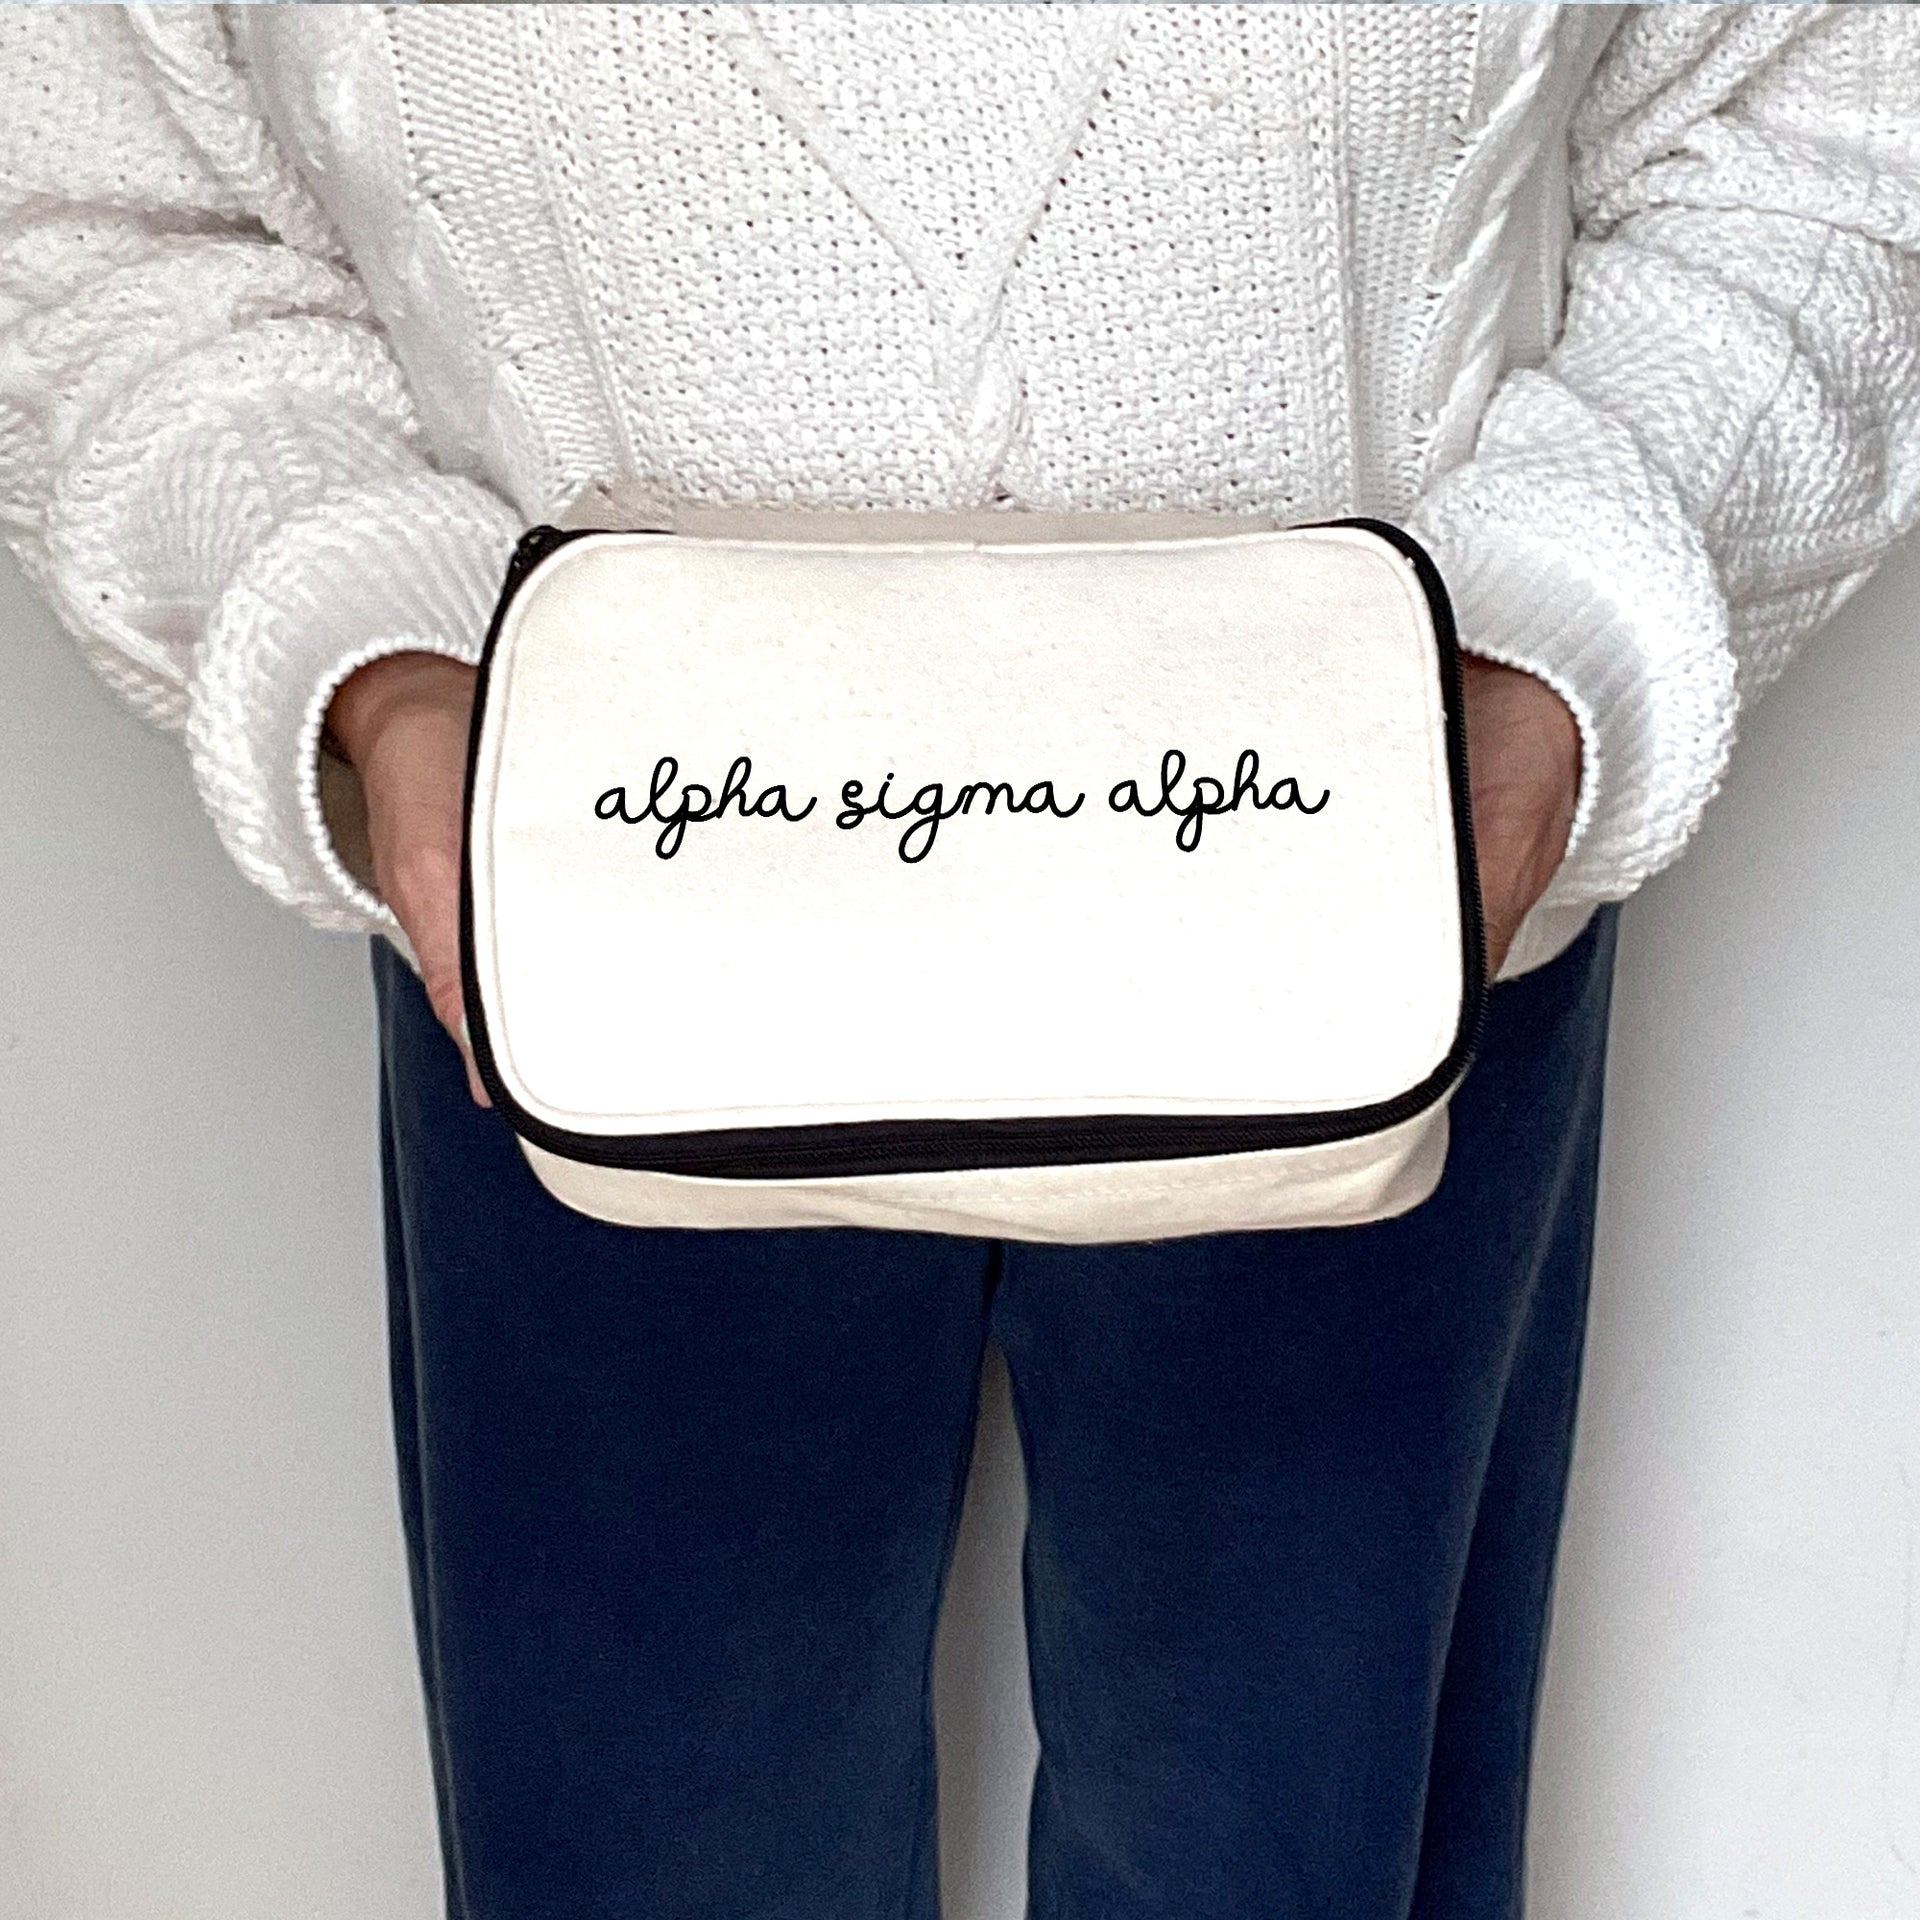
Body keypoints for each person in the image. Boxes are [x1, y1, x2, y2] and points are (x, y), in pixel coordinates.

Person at [4, 5, 1915, 1915]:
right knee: (650, 1857)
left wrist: (1557, 645)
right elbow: (96, 202)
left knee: (1295, 1857)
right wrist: (376, 656)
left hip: (1378, 886)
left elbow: (1839, 103)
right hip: (588, 921)